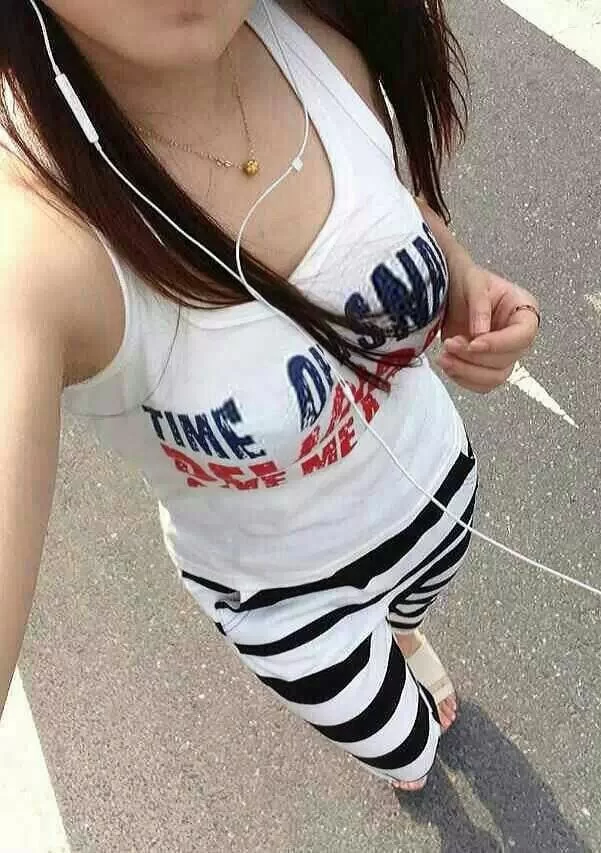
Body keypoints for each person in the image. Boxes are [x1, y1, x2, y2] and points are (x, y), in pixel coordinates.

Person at [0, 0, 539, 792]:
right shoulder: (35, 236)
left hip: (438, 494)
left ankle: (402, 630)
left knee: (413, 612)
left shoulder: (325, 33)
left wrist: (460, 275)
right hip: (293, 610)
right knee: (406, 751)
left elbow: (387, 193)